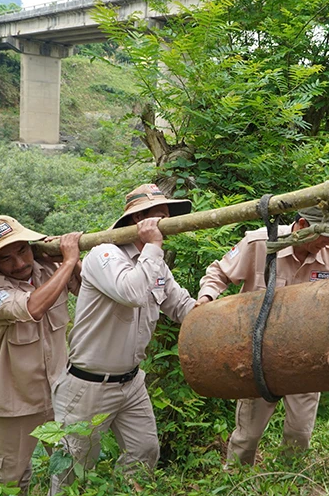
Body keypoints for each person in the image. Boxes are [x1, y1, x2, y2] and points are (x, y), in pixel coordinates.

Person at [51, 184, 197, 492]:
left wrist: (218, 313)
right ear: (138, 220)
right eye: (158, 216)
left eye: (166, 216)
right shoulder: (104, 254)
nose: (165, 223)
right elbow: (132, 292)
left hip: (131, 383)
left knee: (144, 452)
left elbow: (182, 307)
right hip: (89, 385)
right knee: (73, 470)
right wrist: (154, 246)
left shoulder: (155, 264)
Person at [197, 201, 329, 466]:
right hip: (259, 359)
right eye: (325, 233)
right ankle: (236, 480)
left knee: (300, 433)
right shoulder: (259, 244)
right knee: (247, 436)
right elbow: (219, 272)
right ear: (303, 225)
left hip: (308, 360)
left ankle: (289, 479)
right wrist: (206, 298)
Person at [0, 215, 82, 493]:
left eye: (23, 250)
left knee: (70, 470)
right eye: (6, 258)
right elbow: (32, 308)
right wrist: (67, 262)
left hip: (59, 394)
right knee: (8, 481)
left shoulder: (47, 269)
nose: (20, 263)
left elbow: (87, 289)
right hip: (13, 405)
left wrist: (70, 259)